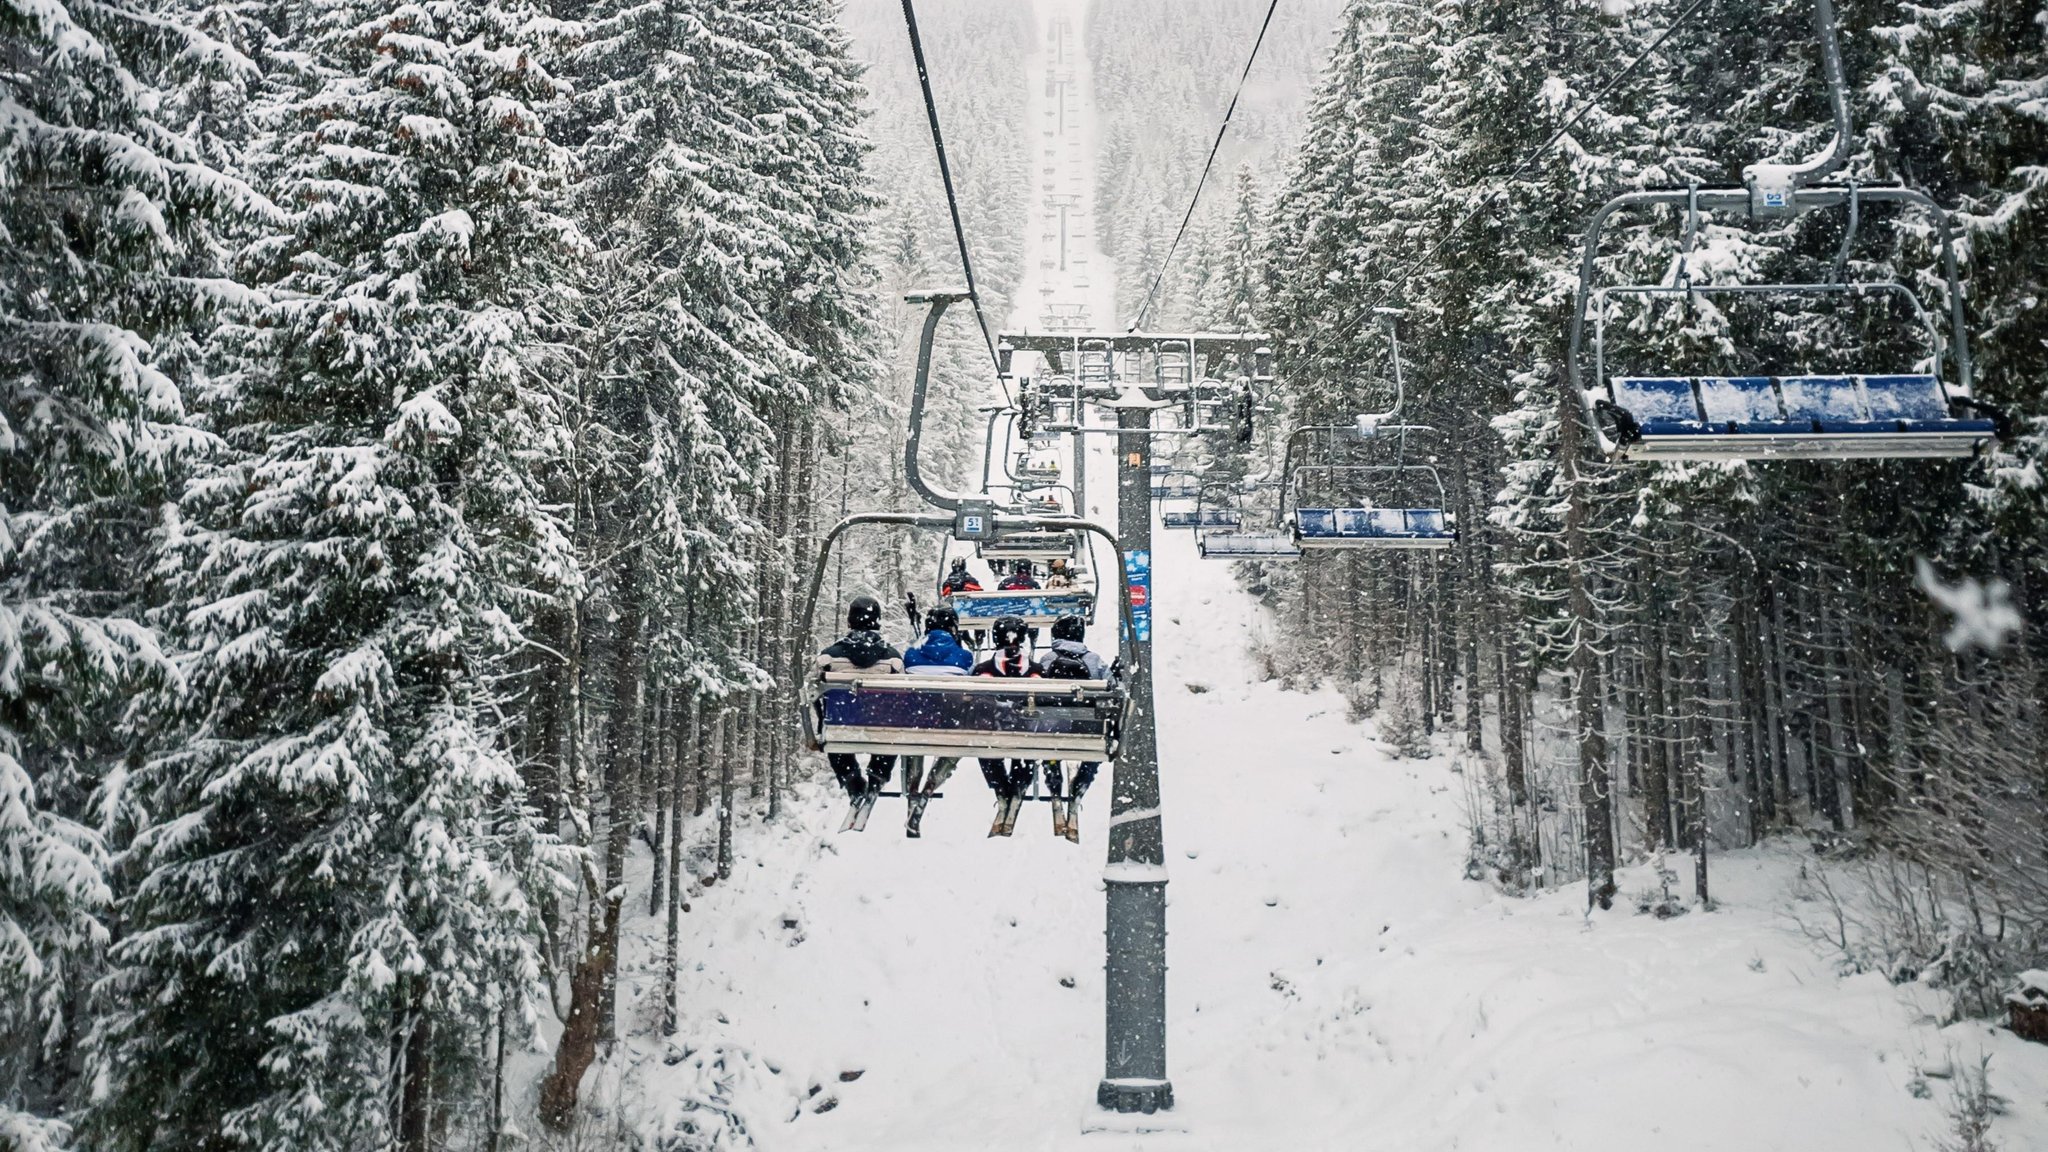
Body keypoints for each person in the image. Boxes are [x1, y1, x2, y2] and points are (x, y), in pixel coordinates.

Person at [814, 595, 902, 831]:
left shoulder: (829, 656)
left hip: (842, 726)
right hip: (881, 726)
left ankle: (853, 781)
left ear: (850, 621)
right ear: (877, 621)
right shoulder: (892, 658)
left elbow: (818, 695)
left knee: (833, 734)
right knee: (890, 735)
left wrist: (821, 725)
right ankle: (877, 778)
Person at [1036, 614, 1112, 843]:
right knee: (1093, 749)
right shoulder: (1094, 660)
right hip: (1085, 729)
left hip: (1054, 728)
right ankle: (1081, 783)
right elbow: (1112, 687)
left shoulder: (1048, 658)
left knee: (1050, 749)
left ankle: (1052, 775)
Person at [899, 605, 972, 838]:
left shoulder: (911, 655)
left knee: (914, 734)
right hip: (948, 724)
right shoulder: (964, 657)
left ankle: (913, 789)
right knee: (956, 744)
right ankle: (929, 789)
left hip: (917, 722)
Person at [973, 615, 1039, 837]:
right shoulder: (1035, 669)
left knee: (986, 745)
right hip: (1025, 732)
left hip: (992, 731)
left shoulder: (983, 669)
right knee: (1029, 745)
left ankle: (1000, 786)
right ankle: (1019, 784)